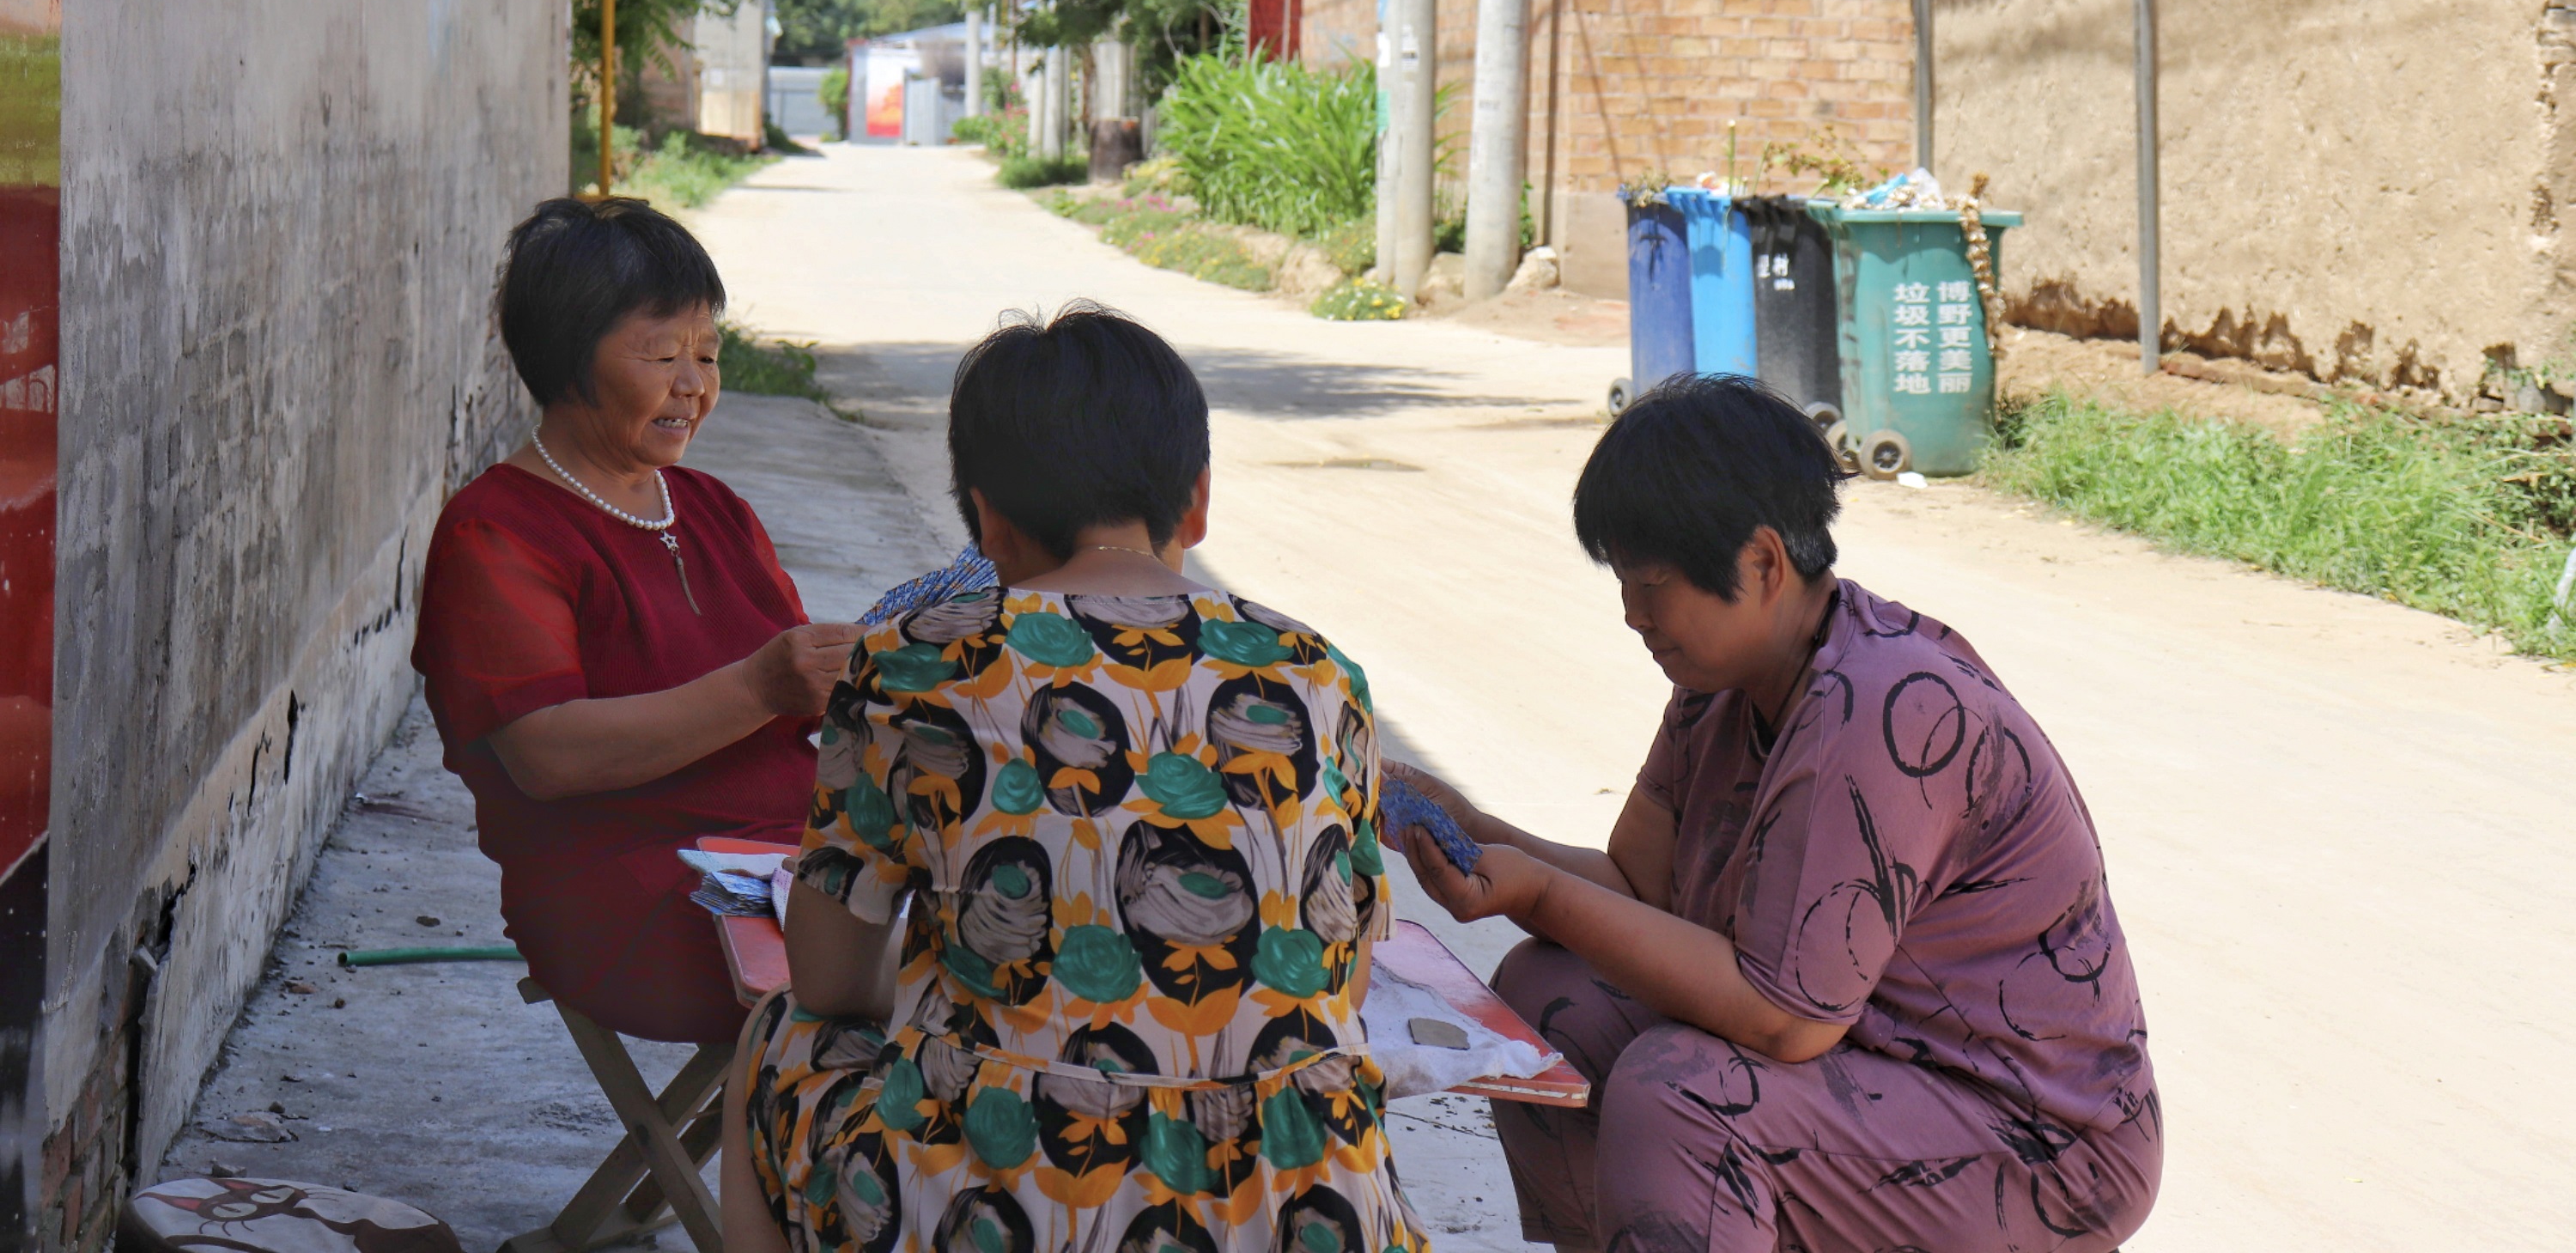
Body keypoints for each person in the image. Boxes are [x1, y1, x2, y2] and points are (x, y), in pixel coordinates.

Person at [1393, 375, 2159, 1253]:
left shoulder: (1884, 708)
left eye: (1654, 582)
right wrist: (1474, 827)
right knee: (1546, 994)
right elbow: (1643, 887)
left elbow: (1785, 1018)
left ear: (1761, 563)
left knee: (1680, 1091)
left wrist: (1537, 892)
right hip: (1881, 1071)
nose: (1633, 613)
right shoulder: (1721, 684)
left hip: (2038, 1140)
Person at [721, 304, 1427, 1253]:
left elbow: (828, 975)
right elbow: (1335, 980)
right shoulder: (1321, 673)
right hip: (1304, 1208)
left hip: (1008, 1200)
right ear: (1199, 500)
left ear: (989, 522)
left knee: (778, 1034)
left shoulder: (914, 659)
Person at [412, 197, 861, 1044]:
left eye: (707, 352)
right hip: (627, 900)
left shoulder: (714, 506)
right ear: (566, 358)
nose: (693, 384)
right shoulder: (497, 529)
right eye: (661, 354)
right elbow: (545, 755)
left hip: (784, 864)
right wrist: (758, 683)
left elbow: (806, 706)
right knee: (924, 986)